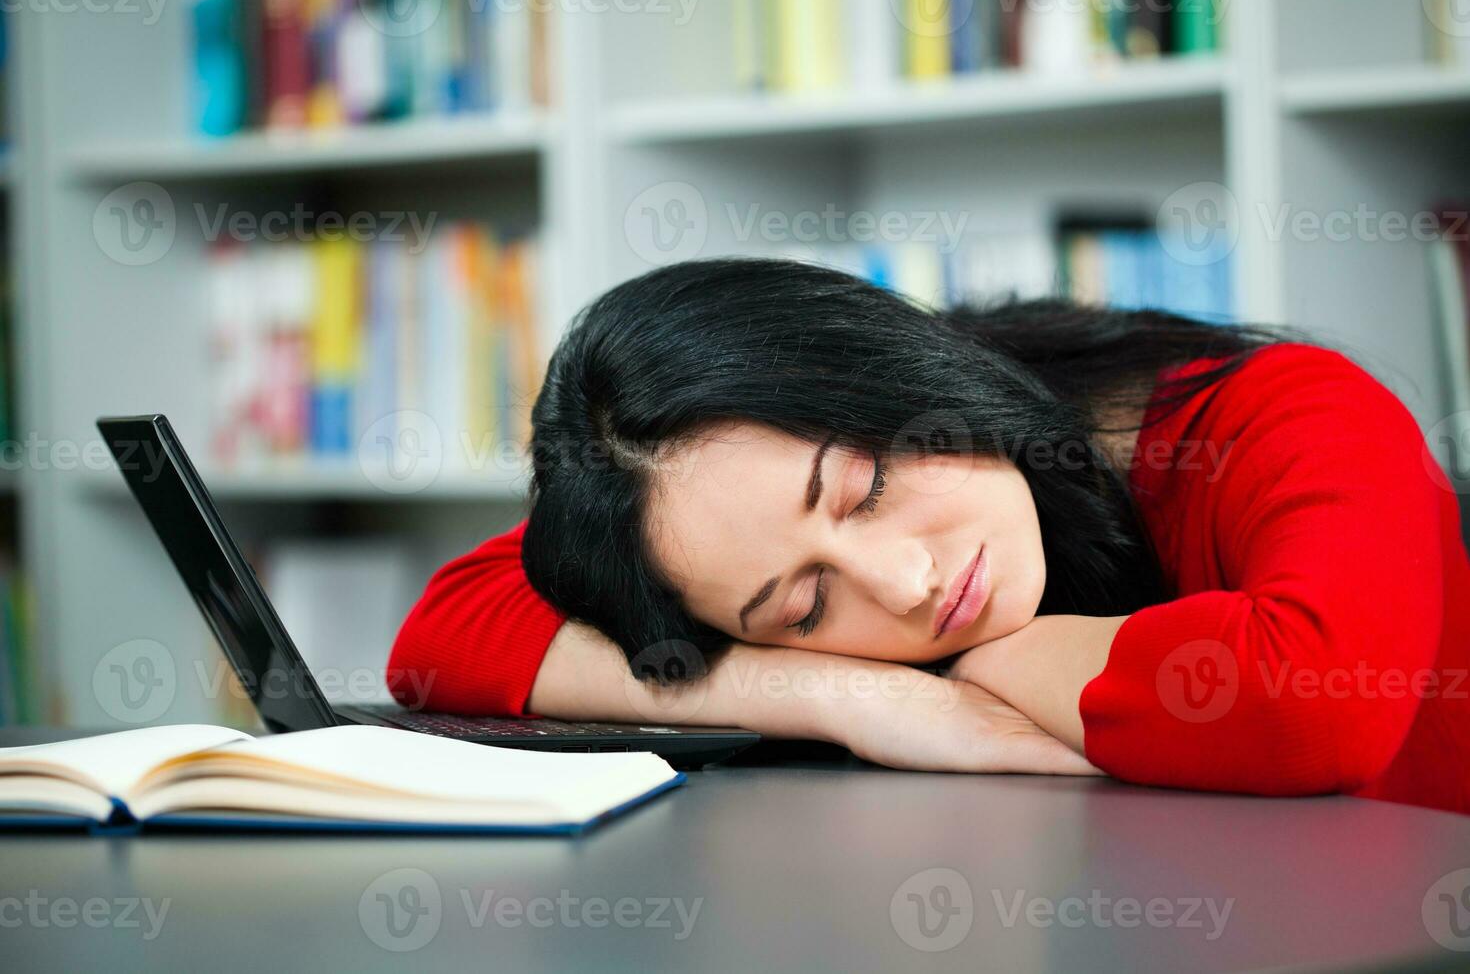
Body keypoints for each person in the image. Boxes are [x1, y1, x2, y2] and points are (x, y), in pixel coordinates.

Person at [387, 257, 1470, 816]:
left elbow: (1308, 698)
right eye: (802, 608)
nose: (905, 584)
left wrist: (994, 657)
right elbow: (446, 628)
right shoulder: (777, 586)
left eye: (863, 487)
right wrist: (850, 693)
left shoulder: (1280, 415)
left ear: (900, 369)